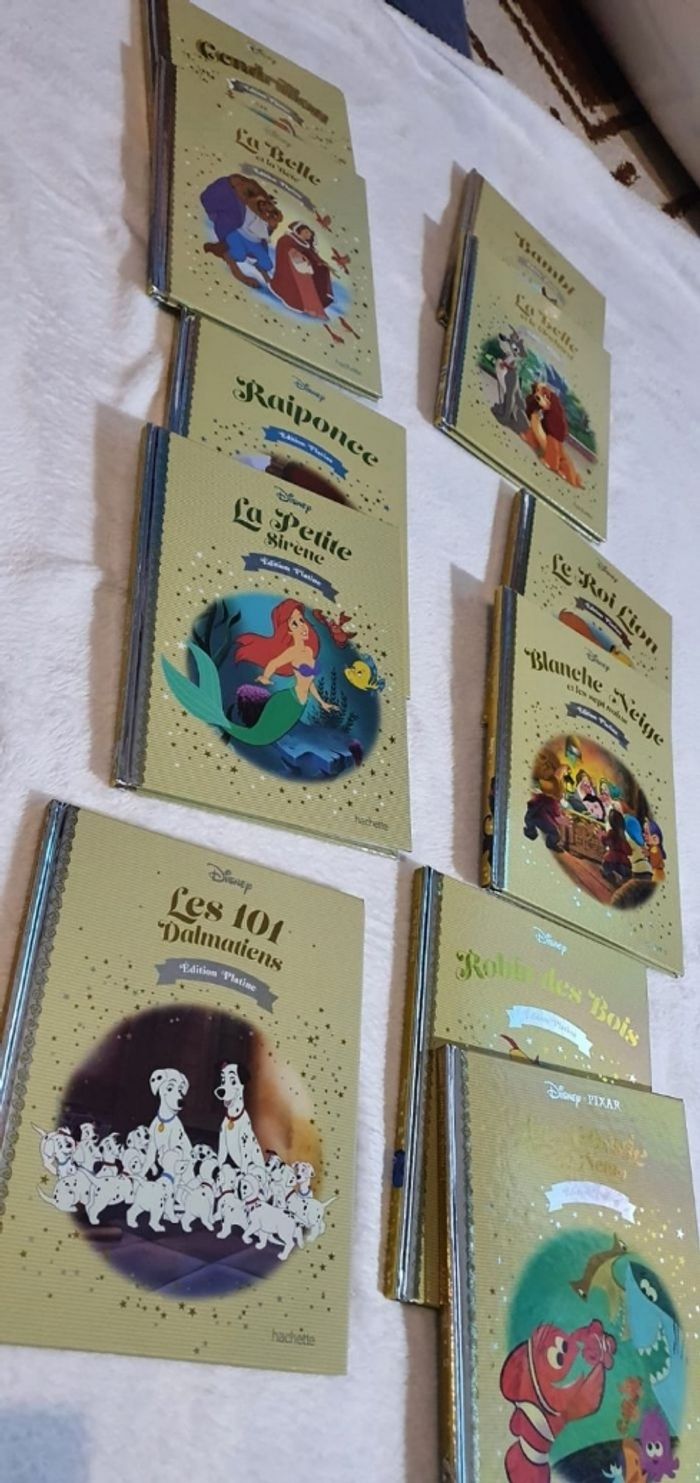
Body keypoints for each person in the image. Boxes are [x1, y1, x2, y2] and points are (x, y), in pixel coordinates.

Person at [161, 600, 337, 748]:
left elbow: (309, 681)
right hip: (287, 701)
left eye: (301, 620)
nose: (302, 626)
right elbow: (274, 663)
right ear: (289, 630)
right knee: (259, 737)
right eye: (294, 623)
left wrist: (322, 702)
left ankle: (216, 717)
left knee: (264, 737)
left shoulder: (308, 651)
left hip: (299, 705)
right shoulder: (292, 652)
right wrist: (266, 677)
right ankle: (213, 713)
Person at [521, 382, 583, 488]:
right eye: (537, 391)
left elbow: (547, 406)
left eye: (544, 395)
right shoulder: (540, 414)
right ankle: (530, 439)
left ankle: (554, 464)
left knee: (554, 447)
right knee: (536, 429)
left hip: (554, 436)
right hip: (546, 427)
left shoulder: (554, 421)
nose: (538, 396)